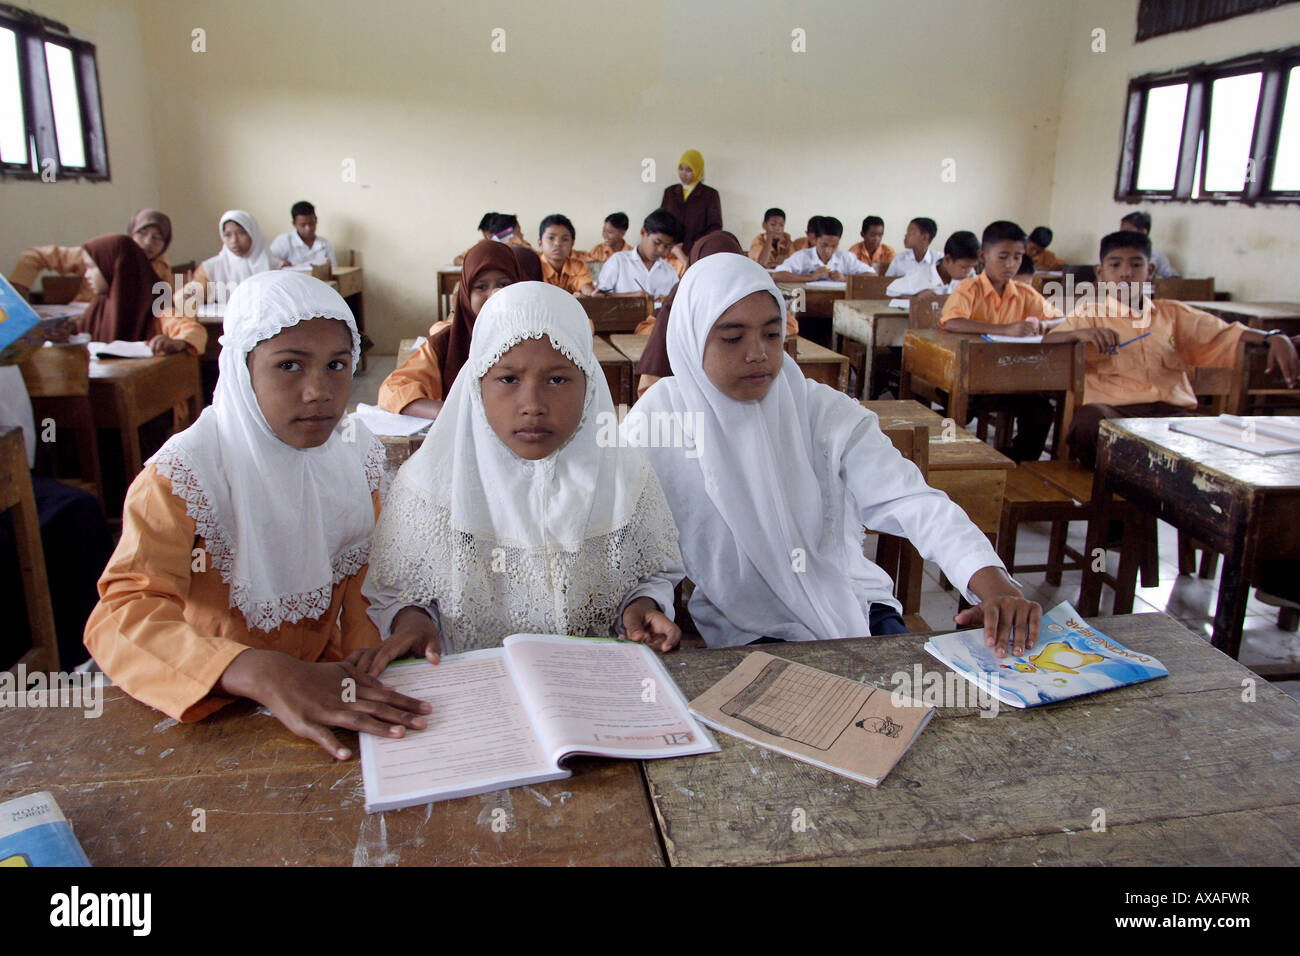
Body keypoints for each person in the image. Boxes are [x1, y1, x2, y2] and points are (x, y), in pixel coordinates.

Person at [83, 271, 427, 758]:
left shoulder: (355, 457)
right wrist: (255, 669)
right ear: (241, 369)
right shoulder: (185, 477)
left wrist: (386, 645)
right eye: (290, 366)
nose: (320, 391)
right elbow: (120, 617)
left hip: (322, 689)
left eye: (337, 365)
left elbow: (368, 581)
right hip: (214, 705)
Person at [629, 253, 1041, 654]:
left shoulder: (821, 410)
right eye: (733, 337)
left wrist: (991, 582)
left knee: (907, 705)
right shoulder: (662, 420)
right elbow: (641, 545)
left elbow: (910, 499)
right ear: (691, 337)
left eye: (772, 334)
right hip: (747, 624)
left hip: (853, 602)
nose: (757, 352)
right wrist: (646, 603)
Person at [360, 281, 683, 665]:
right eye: (508, 379)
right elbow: (400, 591)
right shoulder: (428, 486)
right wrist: (412, 623)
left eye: (558, 380)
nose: (532, 405)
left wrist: (641, 606)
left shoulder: (626, 477)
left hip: (592, 682)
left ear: (589, 385)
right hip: (476, 688)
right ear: (477, 384)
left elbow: (650, 573)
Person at [1044, 230, 1299, 468]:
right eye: (1115, 265)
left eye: (1136, 264)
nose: (1125, 273)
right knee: (1089, 423)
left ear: (1150, 271)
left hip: (1169, 412)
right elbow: (1048, 343)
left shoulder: (1173, 314)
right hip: (1114, 410)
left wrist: (1273, 336)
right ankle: (1115, 499)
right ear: (1100, 273)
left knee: (1218, 441)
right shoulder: (1089, 316)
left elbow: (1226, 333)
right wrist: (1079, 334)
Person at [939, 220, 1064, 462]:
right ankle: (955, 461)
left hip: (1011, 377)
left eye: (1017, 257)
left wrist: (1044, 325)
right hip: (968, 375)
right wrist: (1005, 329)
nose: (1011, 264)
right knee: (958, 411)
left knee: (1041, 411)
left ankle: (1015, 462)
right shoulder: (969, 288)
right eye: (1003, 257)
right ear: (983, 255)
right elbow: (952, 321)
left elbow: (1061, 319)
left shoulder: (1024, 292)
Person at [378, 241, 520, 419]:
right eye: (481, 287)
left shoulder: (535, 337)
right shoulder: (447, 343)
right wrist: (454, 413)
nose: (493, 295)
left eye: (504, 284)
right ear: (465, 294)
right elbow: (392, 390)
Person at [8, 208, 175, 302]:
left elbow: (164, 305)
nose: (147, 242)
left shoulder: (160, 265)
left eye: (157, 238)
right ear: (130, 234)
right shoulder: (105, 256)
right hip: (85, 322)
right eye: (142, 233)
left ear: (165, 244)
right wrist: (18, 292)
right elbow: (33, 256)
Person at [78, 234, 206, 355]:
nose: (86, 275)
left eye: (91, 267)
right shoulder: (97, 306)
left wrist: (179, 342)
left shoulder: (155, 306)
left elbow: (193, 331)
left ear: (114, 268)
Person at [179, 210, 281, 310]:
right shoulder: (210, 268)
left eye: (241, 233)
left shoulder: (277, 267)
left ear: (253, 233)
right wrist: (190, 295)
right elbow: (191, 297)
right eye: (228, 235)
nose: (234, 241)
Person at [594, 209, 682, 298]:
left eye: (667, 246)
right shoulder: (618, 261)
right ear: (643, 232)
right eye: (657, 242)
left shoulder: (670, 272)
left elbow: (675, 303)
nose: (660, 250)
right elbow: (599, 296)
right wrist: (632, 297)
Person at [770, 216, 875, 282]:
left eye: (834, 246)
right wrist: (810, 278)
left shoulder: (845, 257)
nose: (828, 250)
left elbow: (872, 275)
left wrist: (845, 278)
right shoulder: (802, 256)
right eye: (824, 245)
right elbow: (777, 275)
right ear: (814, 240)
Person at [659, 149, 723, 253]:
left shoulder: (710, 195)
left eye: (689, 170)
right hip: (670, 252)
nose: (683, 173)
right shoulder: (670, 192)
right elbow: (661, 221)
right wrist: (670, 245)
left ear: (698, 170)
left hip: (696, 251)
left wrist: (690, 246)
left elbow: (714, 228)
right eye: (681, 168)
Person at [537, 214, 596, 296]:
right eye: (551, 238)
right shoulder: (534, 266)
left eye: (565, 239)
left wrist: (589, 294)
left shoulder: (578, 266)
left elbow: (585, 285)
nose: (557, 243)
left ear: (572, 244)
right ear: (540, 243)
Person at [270, 200, 337, 268]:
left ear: (316, 220)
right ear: (294, 224)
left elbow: (333, 269)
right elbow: (270, 262)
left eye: (311, 223)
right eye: (303, 225)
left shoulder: (324, 244)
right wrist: (280, 263)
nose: (308, 228)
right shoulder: (284, 241)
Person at [1120, 211, 1178, 278]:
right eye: (1121, 232)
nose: (1122, 235)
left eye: (1127, 231)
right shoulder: (1115, 255)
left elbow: (1174, 278)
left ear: (1143, 232)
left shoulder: (1156, 256)